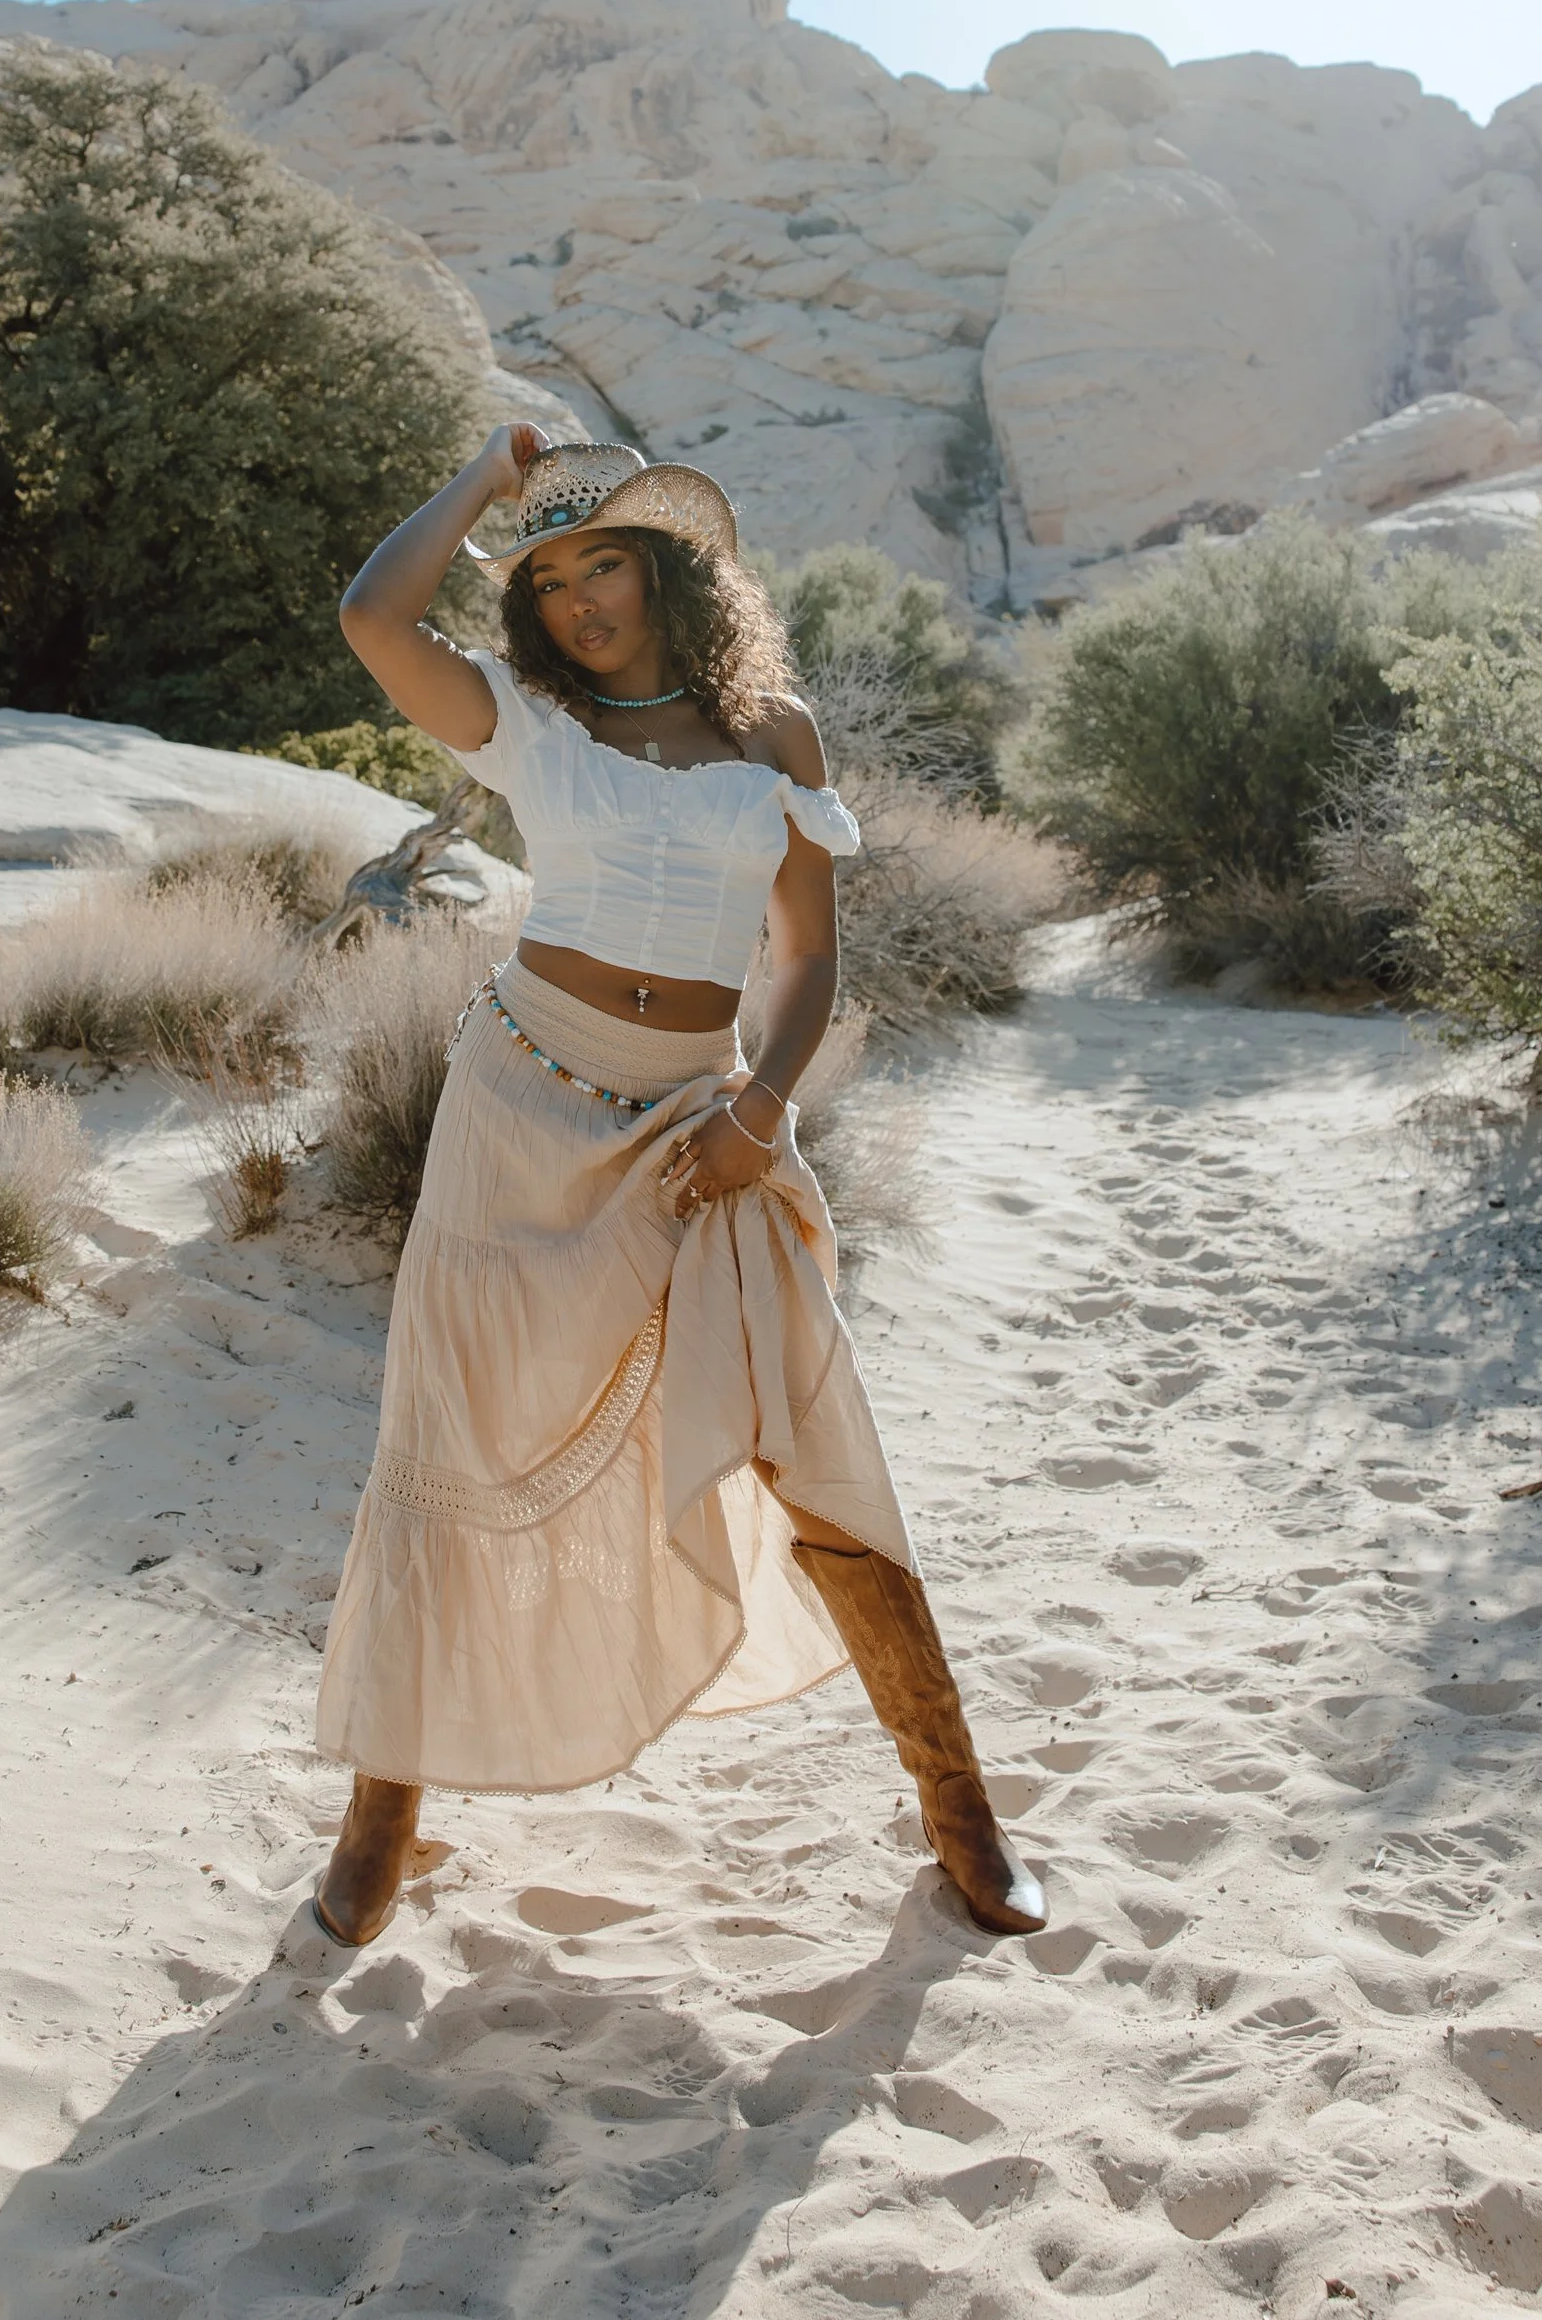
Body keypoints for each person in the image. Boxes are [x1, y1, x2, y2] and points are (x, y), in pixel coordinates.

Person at [309, 427, 1046, 1948]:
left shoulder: (776, 734)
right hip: (515, 1112)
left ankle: (961, 1809)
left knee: (808, 1434)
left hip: (704, 1131)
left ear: (671, 571)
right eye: (554, 574)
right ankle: (382, 1811)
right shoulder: (523, 717)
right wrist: (479, 482)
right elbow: (372, 618)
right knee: (449, 1435)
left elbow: (809, 954)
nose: (580, 598)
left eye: (608, 564)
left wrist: (765, 1106)